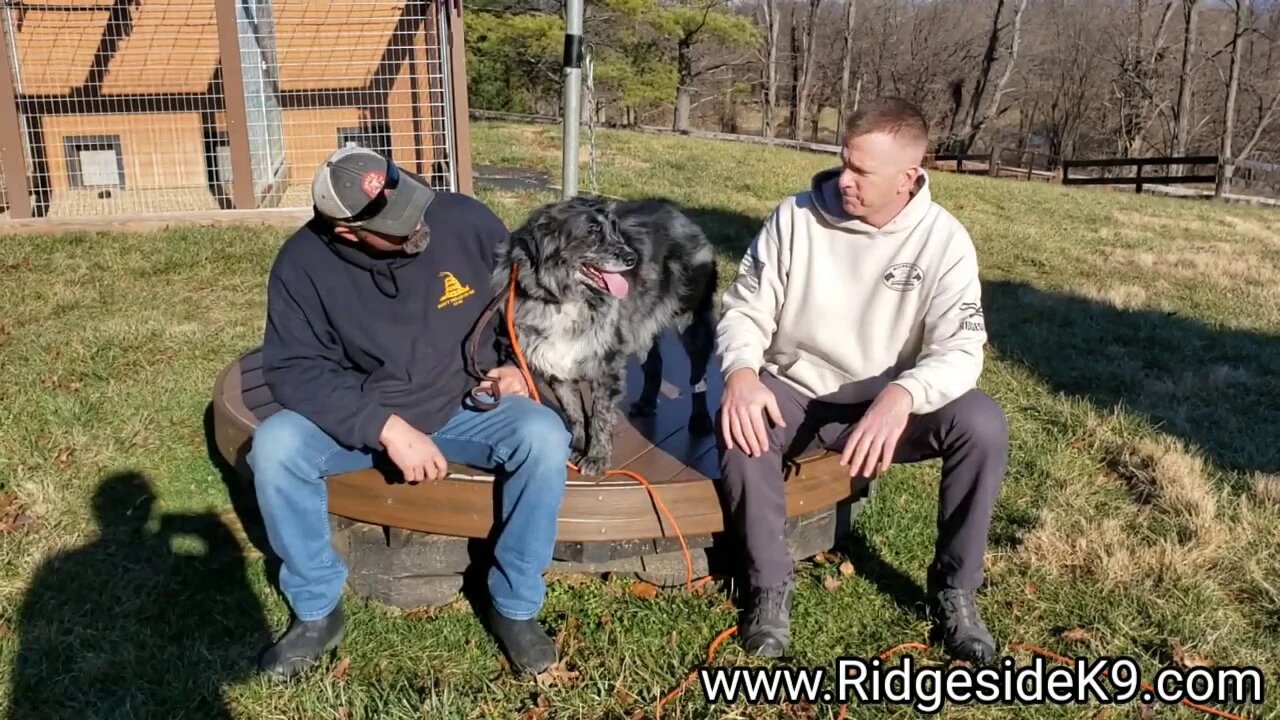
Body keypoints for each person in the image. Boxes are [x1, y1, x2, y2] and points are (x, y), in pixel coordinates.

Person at [246, 146, 572, 679]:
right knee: (277, 449)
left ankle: (515, 607)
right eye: (398, 226)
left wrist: (519, 366)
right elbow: (295, 369)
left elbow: (528, 303)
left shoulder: (465, 220)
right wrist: (385, 427)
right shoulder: (302, 265)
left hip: (466, 400)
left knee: (543, 437)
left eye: (413, 203)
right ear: (348, 231)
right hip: (367, 410)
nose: (417, 224)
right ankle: (316, 612)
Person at [713, 97, 1009, 664]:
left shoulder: (944, 241)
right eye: (843, 163)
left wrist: (903, 395)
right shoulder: (795, 218)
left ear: (909, 177)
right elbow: (745, 311)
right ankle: (768, 587)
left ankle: (955, 590)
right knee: (742, 422)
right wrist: (743, 372)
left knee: (982, 423)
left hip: (886, 405)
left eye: (861, 172)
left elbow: (963, 349)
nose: (844, 179)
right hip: (797, 389)